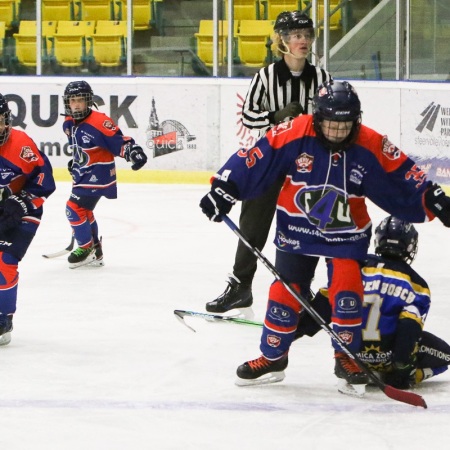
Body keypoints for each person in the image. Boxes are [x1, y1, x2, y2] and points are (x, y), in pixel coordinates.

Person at [199, 80, 450, 390]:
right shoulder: (293, 131)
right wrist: (225, 188)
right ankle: (273, 356)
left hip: (347, 233)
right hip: (296, 226)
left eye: (344, 125)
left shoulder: (369, 142)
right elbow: (256, 156)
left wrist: (433, 199)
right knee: (285, 293)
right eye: (330, 124)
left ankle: (346, 357)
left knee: (346, 290)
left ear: (356, 120)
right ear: (317, 118)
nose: (336, 131)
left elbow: (400, 172)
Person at [206, 11, 332, 314]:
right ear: (283, 41)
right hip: (271, 161)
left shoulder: (322, 77)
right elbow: (248, 115)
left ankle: (301, 289)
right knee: (253, 224)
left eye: (307, 35)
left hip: (309, 163)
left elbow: (333, 117)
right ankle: (240, 286)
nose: (303, 41)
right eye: (296, 35)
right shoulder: (266, 76)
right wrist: (274, 117)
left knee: (308, 226)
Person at [259, 216, 449, 395]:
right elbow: (409, 329)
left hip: (351, 355)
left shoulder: (353, 267)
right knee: (447, 357)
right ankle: (393, 375)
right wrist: (402, 369)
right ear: (410, 246)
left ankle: (353, 366)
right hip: (388, 358)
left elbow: (322, 308)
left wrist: (291, 331)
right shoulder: (417, 284)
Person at [62, 80, 148, 269]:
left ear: (88, 101)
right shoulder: (68, 123)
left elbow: (119, 141)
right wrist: (76, 161)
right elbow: (81, 147)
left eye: (80, 100)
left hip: (98, 175)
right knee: (85, 211)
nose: (76, 104)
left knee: (73, 208)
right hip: (83, 174)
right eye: (72, 100)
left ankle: (86, 249)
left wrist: (133, 152)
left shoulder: (99, 122)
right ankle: (95, 250)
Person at [0, 93, 56, 345]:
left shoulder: (20, 144)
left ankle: (3, 318)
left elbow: (46, 180)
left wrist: (22, 200)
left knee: (4, 261)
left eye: (0, 120)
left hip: (23, 209)